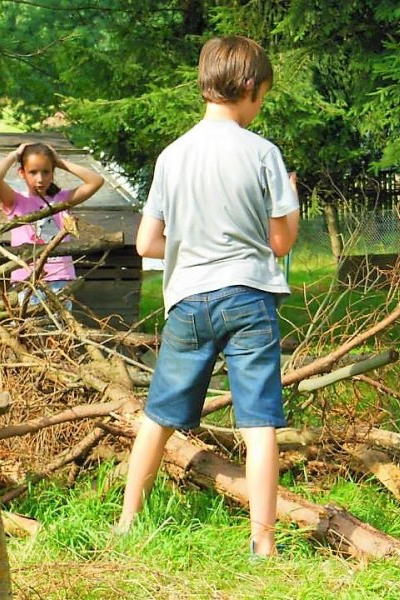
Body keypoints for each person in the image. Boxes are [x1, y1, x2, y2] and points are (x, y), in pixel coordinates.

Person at [115, 35, 300, 558]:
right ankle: (263, 542)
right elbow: (280, 242)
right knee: (259, 423)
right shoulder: (262, 153)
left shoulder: (172, 156)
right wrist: (293, 200)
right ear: (249, 87)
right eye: (262, 96)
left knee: (158, 416)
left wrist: (193, 243)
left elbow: (147, 243)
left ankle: (127, 523)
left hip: (189, 300)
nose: (260, 106)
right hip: (249, 296)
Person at [0, 143, 104, 305]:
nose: (40, 179)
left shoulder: (62, 200)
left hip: (61, 278)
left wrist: (59, 161)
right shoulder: (16, 201)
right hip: (27, 280)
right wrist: (15, 155)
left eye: (46, 172)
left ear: (53, 173)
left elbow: (96, 181)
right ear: (22, 173)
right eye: (33, 172)